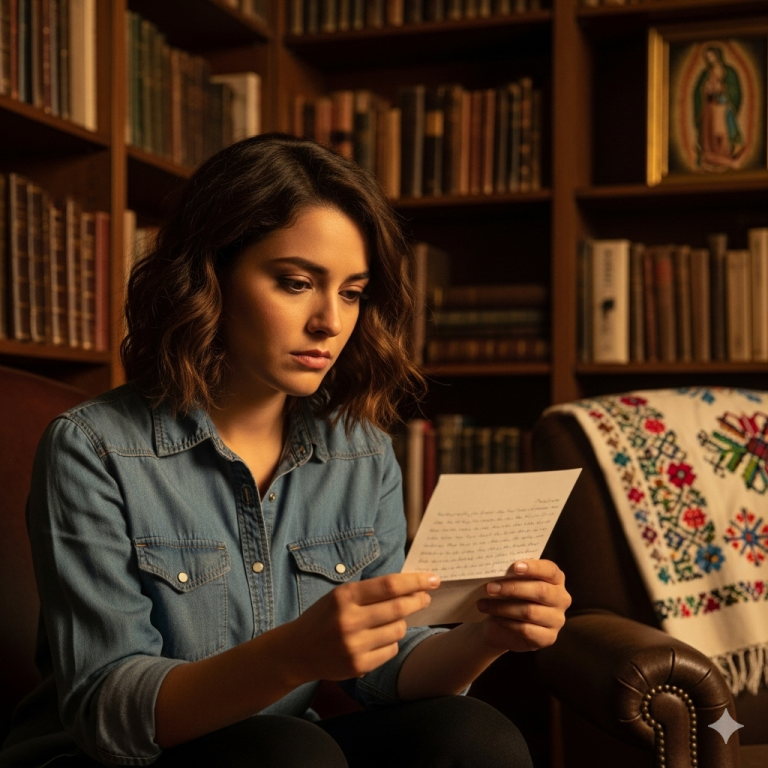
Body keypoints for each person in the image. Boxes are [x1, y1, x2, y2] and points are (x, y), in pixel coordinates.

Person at [0, 134, 571, 768]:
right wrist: (293, 654)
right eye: (297, 283)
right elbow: (112, 714)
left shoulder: (361, 453)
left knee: (473, 735)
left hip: (283, 748)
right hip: (110, 759)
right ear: (209, 275)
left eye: (351, 292)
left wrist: (487, 634)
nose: (330, 320)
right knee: (291, 750)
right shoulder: (93, 448)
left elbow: (386, 671)